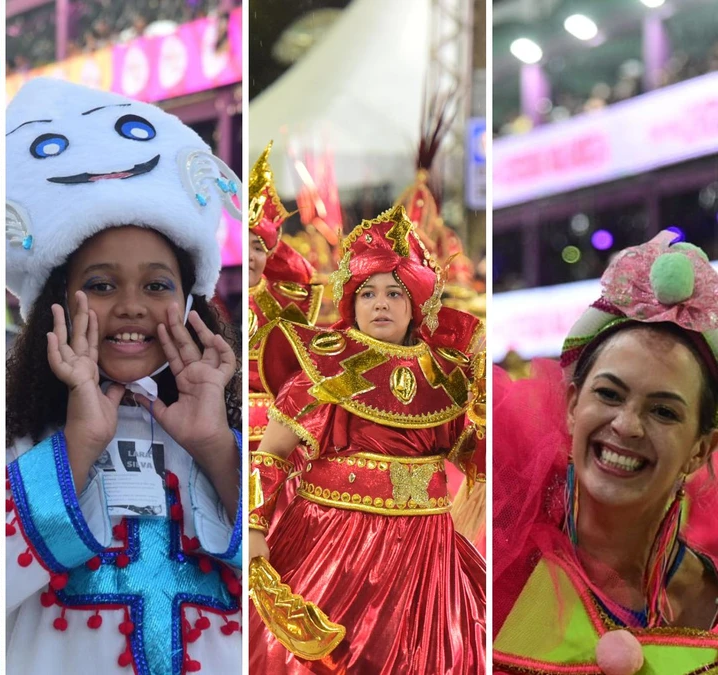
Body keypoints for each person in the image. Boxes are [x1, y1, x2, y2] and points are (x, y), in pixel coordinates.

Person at [3, 78, 244, 674]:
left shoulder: (234, 438)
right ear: (57, 300)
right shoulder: (10, 437)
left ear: (192, 304)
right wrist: (78, 446)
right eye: (102, 285)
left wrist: (216, 447)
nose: (131, 307)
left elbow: (300, 579)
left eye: (157, 286)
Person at [248, 205, 486, 673]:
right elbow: (271, 454)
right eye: (368, 293)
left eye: (395, 293)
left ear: (417, 305)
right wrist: (255, 529)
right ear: (350, 304)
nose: (381, 304)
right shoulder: (320, 371)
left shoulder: (447, 379)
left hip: (424, 556)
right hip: (332, 544)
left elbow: (475, 453)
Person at [493, 232, 718, 675]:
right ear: (574, 405)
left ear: (700, 450)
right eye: (609, 394)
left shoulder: (707, 601)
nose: (627, 425)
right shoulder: (503, 557)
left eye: (663, 411)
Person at [247, 141, 322, 452]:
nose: (250, 256)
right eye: (242, 244)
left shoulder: (287, 303)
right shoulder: (209, 298)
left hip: (277, 433)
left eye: (257, 247)